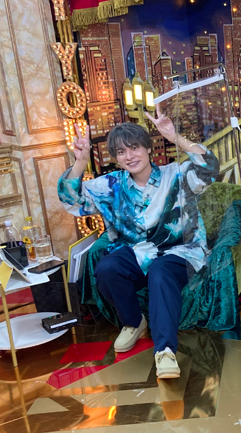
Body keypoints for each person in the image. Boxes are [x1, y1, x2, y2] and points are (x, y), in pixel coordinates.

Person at [57, 107, 220, 379]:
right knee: (107, 268)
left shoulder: (175, 175)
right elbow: (71, 200)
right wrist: (80, 161)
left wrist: (175, 137)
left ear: (148, 149)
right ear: (116, 158)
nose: (129, 156)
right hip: (136, 252)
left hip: (179, 251)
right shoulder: (111, 185)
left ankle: (165, 350)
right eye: (121, 152)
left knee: (160, 271)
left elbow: (210, 168)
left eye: (134, 148)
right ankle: (134, 322)